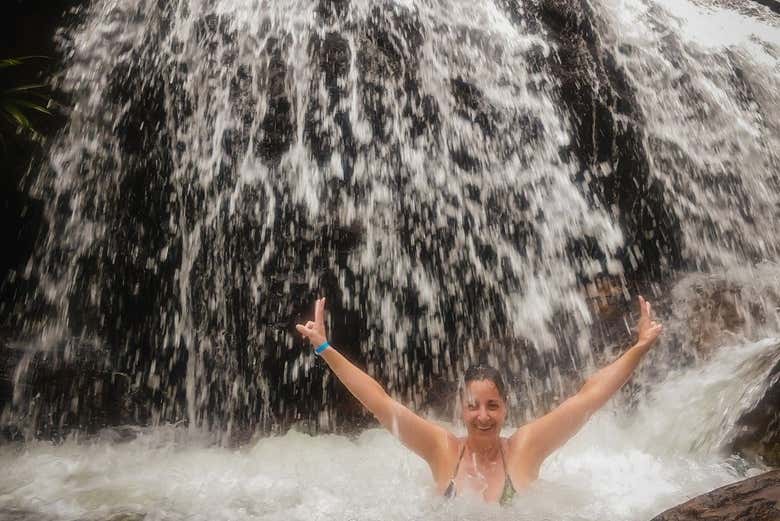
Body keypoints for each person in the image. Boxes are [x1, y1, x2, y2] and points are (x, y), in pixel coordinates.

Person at [296, 296, 663, 504]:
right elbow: (380, 402)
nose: (483, 416)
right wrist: (326, 348)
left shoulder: (525, 447)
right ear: (461, 408)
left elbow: (588, 399)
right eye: (473, 406)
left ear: (505, 408)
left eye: (492, 405)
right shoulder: (441, 448)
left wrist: (639, 348)